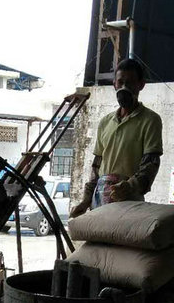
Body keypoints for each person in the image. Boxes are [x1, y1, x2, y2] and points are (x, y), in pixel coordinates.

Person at [70, 58, 163, 218]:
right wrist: (86, 200)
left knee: (122, 240)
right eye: (120, 82)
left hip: (129, 200)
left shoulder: (150, 120)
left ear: (141, 85)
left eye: (130, 82)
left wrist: (130, 186)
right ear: (114, 84)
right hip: (99, 198)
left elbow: (151, 165)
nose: (124, 87)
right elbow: (97, 165)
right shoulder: (106, 122)